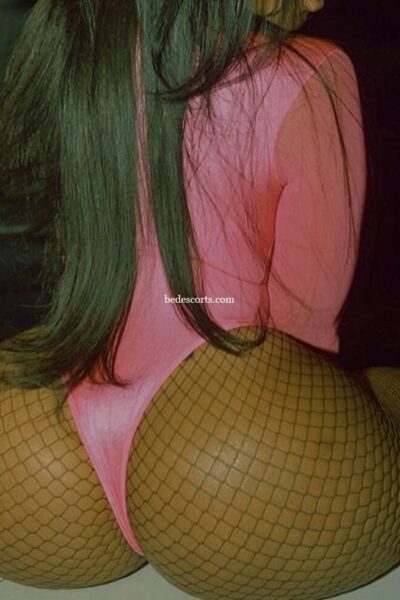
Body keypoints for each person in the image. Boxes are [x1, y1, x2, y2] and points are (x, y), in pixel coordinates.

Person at [0, 0, 399, 598]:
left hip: (43, 443)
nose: (319, 1)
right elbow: (309, 318)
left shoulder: (86, 53)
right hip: (228, 446)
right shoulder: (311, 70)